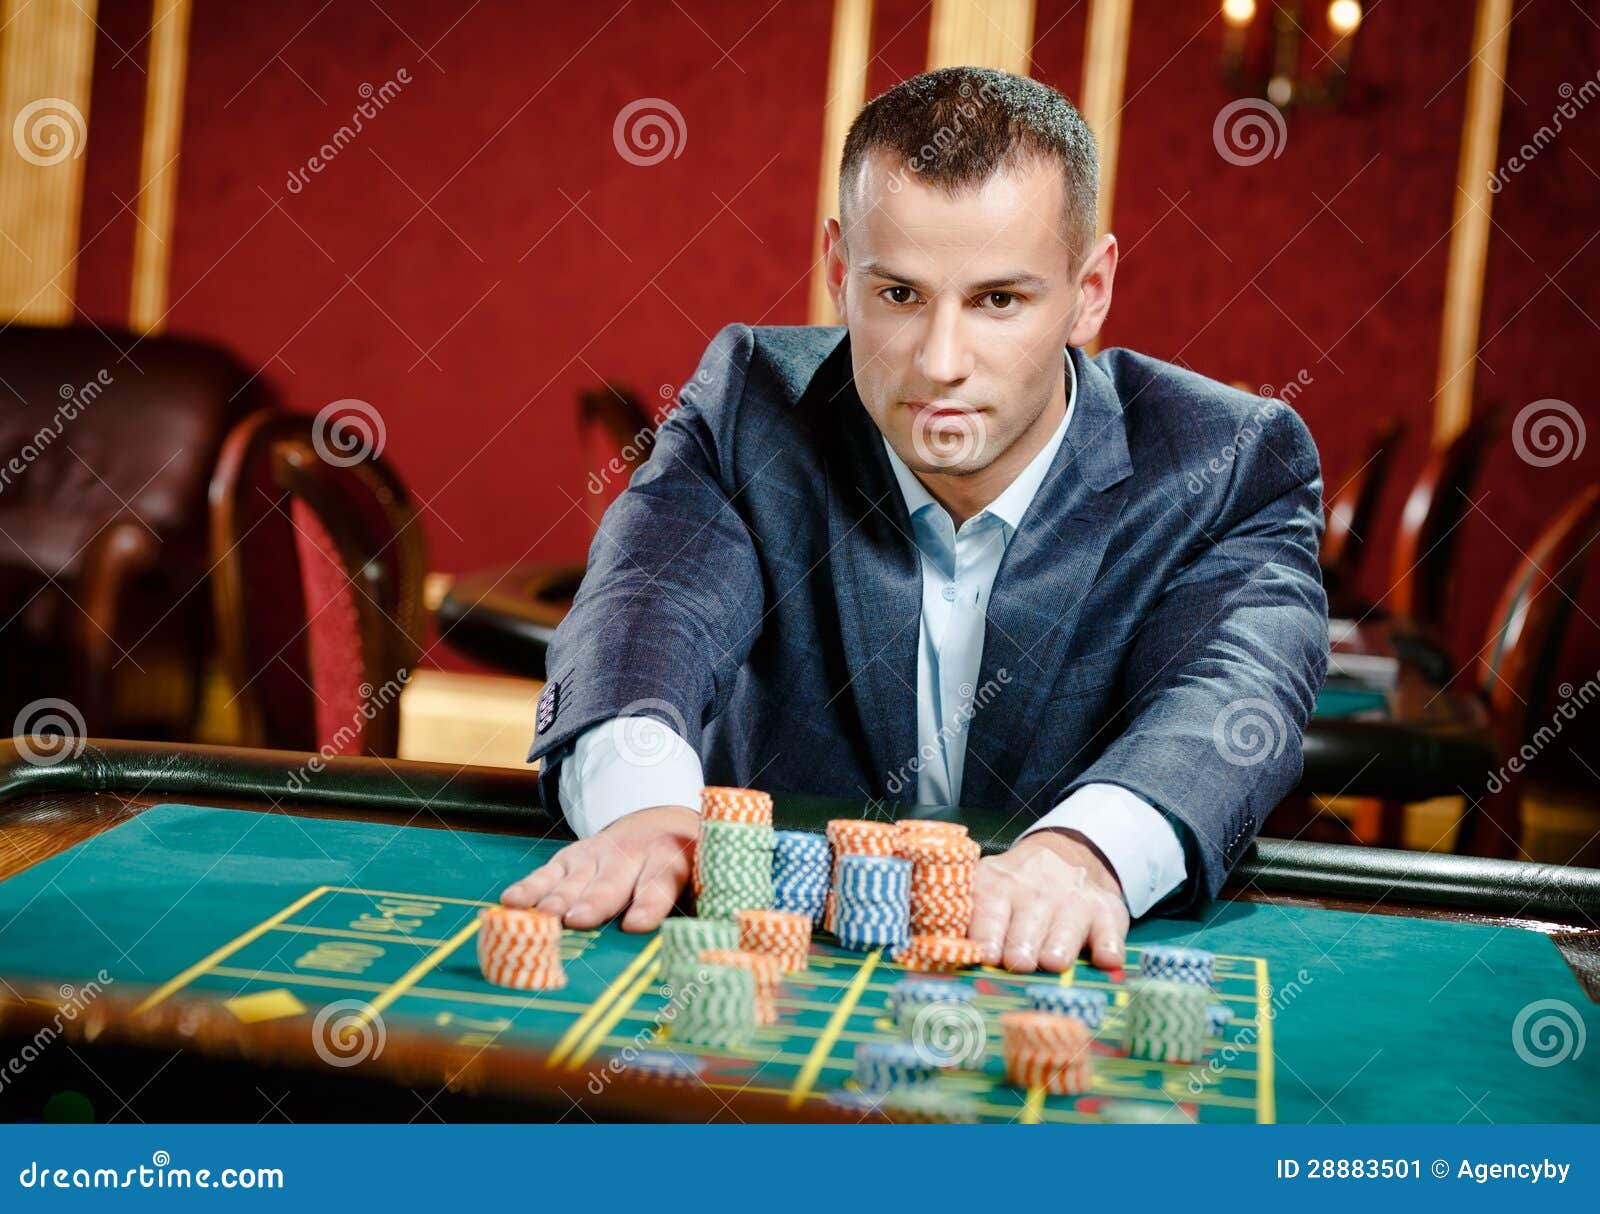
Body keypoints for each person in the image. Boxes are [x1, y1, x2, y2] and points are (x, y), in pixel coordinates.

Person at [503, 66, 1328, 975]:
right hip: (769, 982)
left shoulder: (1226, 459)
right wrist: (645, 811)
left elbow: (1232, 694)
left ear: (1088, 290)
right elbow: (647, 607)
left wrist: (1084, 857)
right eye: (899, 295)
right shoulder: (753, 403)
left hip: (1052, 989)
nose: (940, 362)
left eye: (998, 301)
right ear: (837, 271)